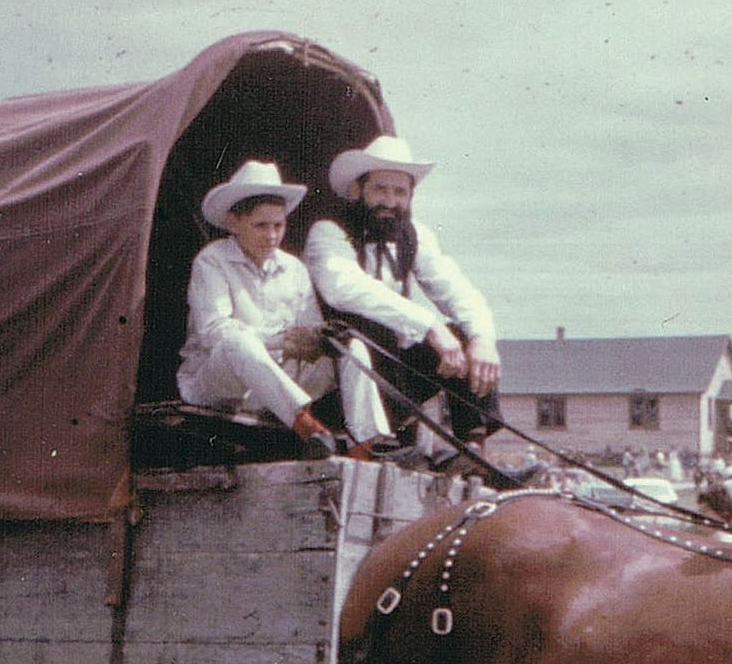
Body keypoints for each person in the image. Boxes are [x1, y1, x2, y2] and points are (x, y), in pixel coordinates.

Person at [301, 135, 502, 458]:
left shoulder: (414, 236)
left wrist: (483, 339)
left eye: (400, 192)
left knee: (466, 337)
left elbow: (455, 288)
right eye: (380, 189)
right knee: (371, 341)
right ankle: (373, 444)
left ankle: (472, 453)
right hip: (335, 383)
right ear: (357, 190)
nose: (390, 201)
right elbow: (345, 288)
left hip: (391, 378)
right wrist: (430, 327)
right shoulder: (329, 231)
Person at [177, 161, 391, 456]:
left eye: (278, 225)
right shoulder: (212, 261)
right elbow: (215, 332)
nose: (272, 235)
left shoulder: (294, 269)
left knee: (350, 348)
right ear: (234, 223)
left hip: (277, 384)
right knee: (237, 339)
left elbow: (308, 331)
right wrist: (282, 339)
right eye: (260, 225)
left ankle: (363, 446)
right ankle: (308, 427)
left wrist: (321, 339)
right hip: (217, 385)